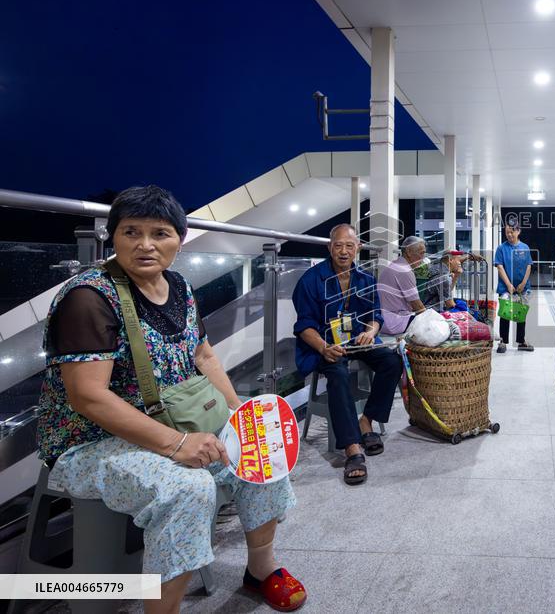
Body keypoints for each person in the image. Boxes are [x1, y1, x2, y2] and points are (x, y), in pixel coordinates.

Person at [36, 186, 305, 613]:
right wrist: (177, 445)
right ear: (113, 236)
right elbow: (88, 397)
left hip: (172, 421)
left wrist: (238, 412)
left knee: (262, 444)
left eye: (159, 233)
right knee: (188, 487)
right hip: (91, 442)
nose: (145, 245)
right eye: (131, 232)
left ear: (179, 239)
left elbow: (203, 355)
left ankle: (261, 569)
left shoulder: (177, 285)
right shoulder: (89, 297)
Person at [292, 224, 403, 486]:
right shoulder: (310, 280)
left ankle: (367, 421)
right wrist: (323, 347)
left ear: (358, 249)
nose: (344, 251)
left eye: (349, 246)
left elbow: (376, 315)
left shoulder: (365, 279)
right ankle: (352, 448)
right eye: (338, 245)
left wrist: (371, 330)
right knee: (338, 373)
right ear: (330, 247)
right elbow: (303, 325)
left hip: (357, 341)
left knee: (392, 361)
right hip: (326, 346)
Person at [494, 223, 534, 354]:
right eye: (507, 232)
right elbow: (500, 267)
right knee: (505, 313)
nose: (509, 235)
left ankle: (521, 341)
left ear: (518, 231)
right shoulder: (501, 248)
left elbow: (529, 265)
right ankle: (503, 341)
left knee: (520, 314)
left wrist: (523, 283)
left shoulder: (525, 247)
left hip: (523, 287)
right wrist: (508, 285)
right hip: (505, 288)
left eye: (512, 232)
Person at [377, 235, 427, 336]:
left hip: (385, 320)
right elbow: (417, 306)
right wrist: (431, 320)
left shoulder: (396, 265)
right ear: (408, 252)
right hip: (395, 323)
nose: (423, 258)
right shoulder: (404, 270)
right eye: (421, 253)